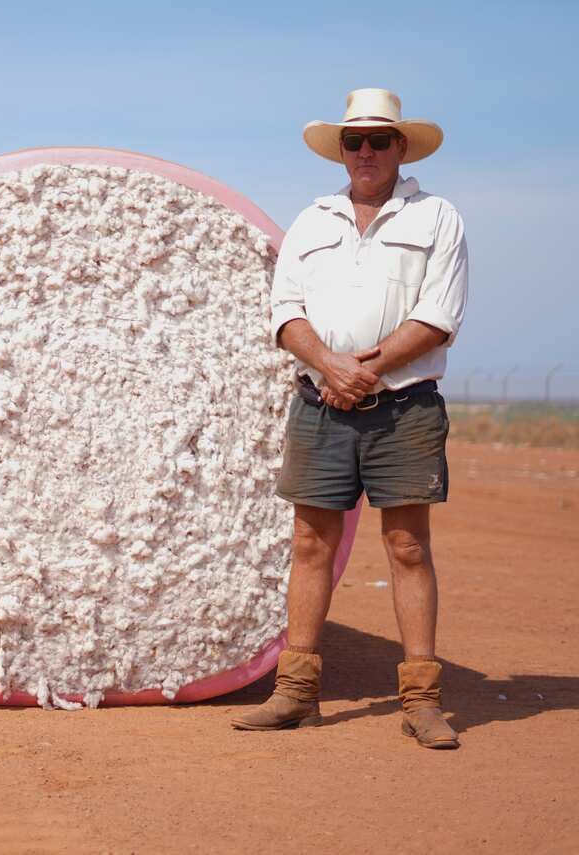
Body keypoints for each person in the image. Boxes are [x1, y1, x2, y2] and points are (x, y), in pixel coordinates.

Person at [231, 88, 469, 748]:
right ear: (341, 149)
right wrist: (328, 367)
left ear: (400, 147)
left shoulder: (438, 218)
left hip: (405, 409)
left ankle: (421, 699)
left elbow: (439, 314)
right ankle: (297, 692)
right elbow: (284, 312)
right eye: (354, 140)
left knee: (407, 545)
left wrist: (360, 370)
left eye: (378, 140)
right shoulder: (312, 222)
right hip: (318, 405)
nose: (365, 151)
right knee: (310, 543)